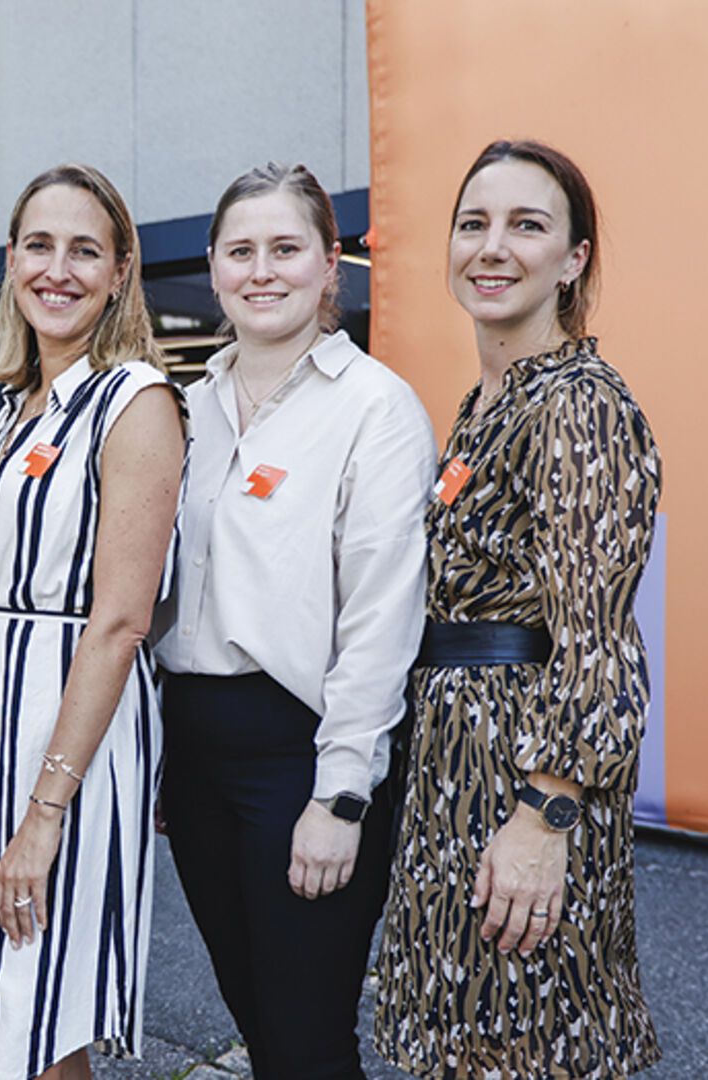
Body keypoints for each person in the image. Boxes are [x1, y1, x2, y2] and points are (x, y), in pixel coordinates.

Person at [374, 140, 663, 1078]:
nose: (492, 247)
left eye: (526, 225)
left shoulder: (578, 402)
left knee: (522, 1042)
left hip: (519, 780)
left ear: (573, 259)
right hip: (454, 768)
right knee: (468, 1045)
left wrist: (546, 816)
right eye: (473, 224)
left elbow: (600, 640)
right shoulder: (487, 400)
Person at [152, 162, 436, 1079]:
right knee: (261, 1029)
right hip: (192, 754)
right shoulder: (183, 411)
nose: (261, 270)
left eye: (285, 248)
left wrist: (341, 794)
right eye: (241, 251)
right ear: (213, 268)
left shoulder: (375, 409)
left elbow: (381, 618)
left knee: (309, 1043)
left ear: (330, 268)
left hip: (301, 756)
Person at [0, 163, 185, 1080]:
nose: (59, 269)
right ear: (10, 262)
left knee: (40, 1022)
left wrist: (44, 812)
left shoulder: (134, 401)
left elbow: (122, 621)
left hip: (67, 736)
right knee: (7, 1008)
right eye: (39, 246)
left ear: (120, 271)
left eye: (84, 249)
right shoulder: (13, 409)